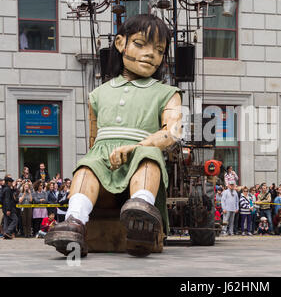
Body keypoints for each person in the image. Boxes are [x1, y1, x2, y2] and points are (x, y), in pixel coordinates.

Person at [46, 14, 182, 257]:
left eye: (159, 50)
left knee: (148, 157)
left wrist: (135, 147)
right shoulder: (98, 94)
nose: (151, 54)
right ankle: (74, 221)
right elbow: (93, 140)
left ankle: (141, 210)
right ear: (120, 43)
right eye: (141, 44)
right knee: (87, 165)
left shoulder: (167, 93)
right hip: (104, 160)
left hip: (141, 159)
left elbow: (171, 132)